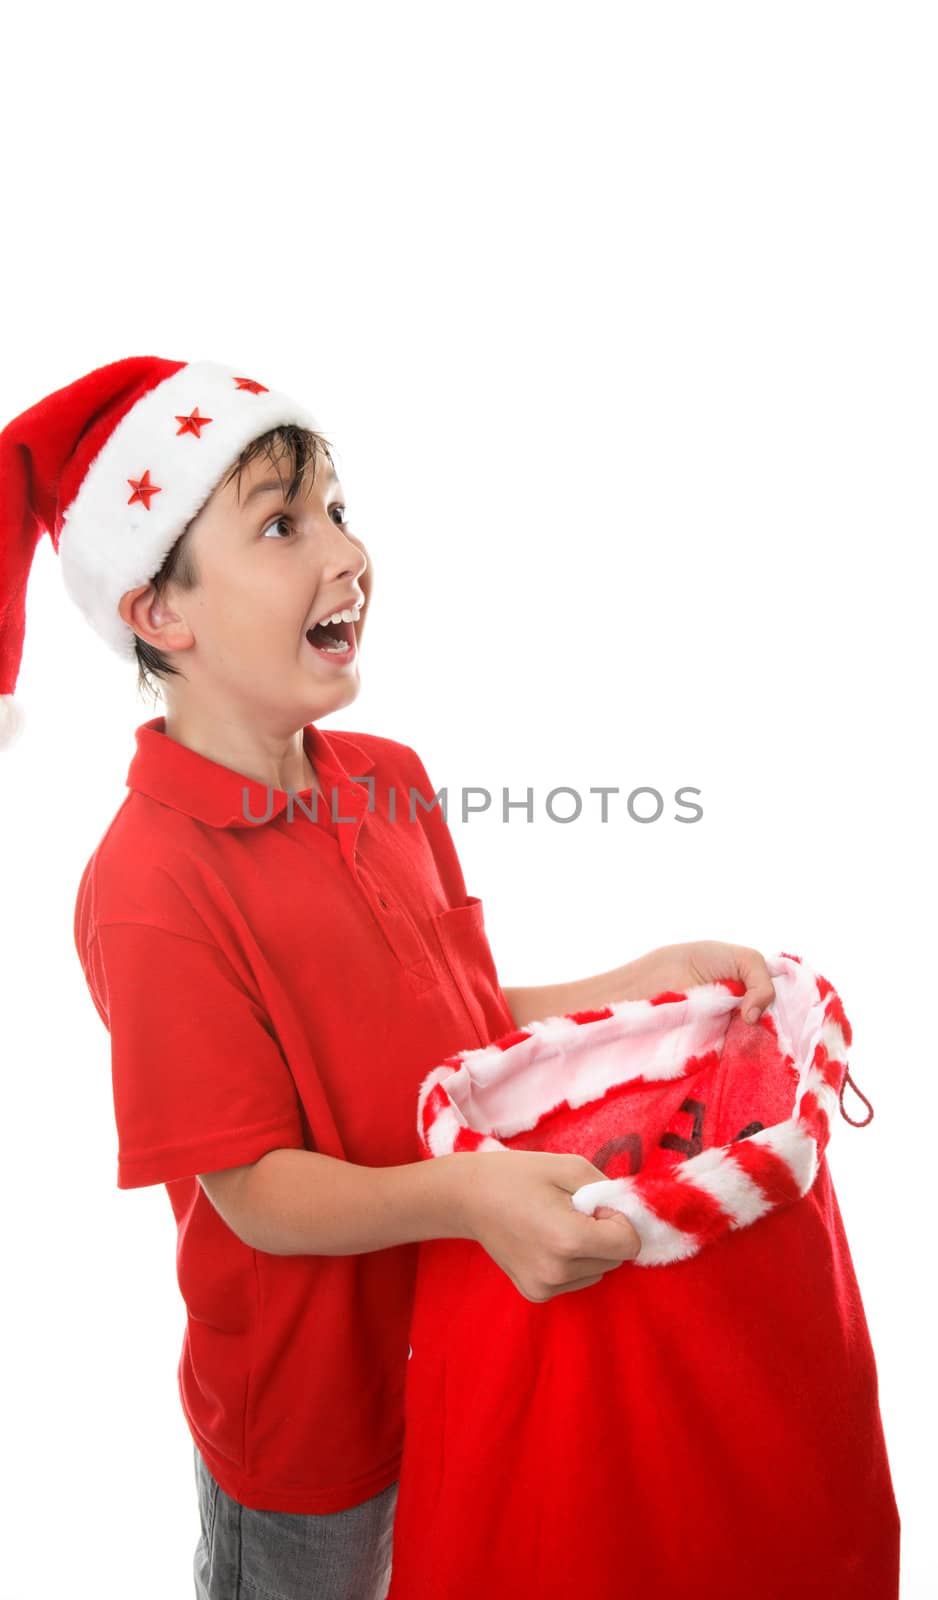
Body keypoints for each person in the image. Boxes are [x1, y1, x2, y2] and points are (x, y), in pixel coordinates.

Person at [0, 354, 777, 1600]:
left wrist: (636, 980)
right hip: (310, 1431)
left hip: (462, 1344)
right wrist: (471, 1195)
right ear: (161, 614)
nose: (343, 552)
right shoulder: (150, 881)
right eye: (280, 525)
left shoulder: (392, 780)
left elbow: (459, 1024)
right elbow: (251, 1190)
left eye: (340, 512)